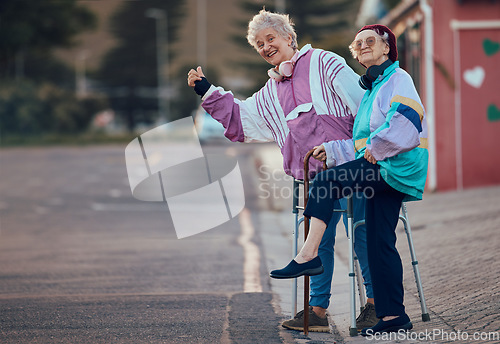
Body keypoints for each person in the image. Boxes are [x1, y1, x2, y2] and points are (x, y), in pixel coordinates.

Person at [187, 9, 377, 332]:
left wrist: (369, 148)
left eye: (270, 38)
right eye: (259, 44)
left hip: (355, 166)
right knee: (321, 241)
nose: (265, 47)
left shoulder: (324, 62)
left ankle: (375, 304)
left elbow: (364, 104)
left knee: (362, 233)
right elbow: (241, 119)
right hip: (315, 179)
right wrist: (207, 91)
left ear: (290, 38)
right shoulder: (270, 93)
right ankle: (316, 312)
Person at [270, 24, 429, 335]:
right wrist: (330, 149)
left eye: (371, 41)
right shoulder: (373, 90)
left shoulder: (398, 79)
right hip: (385, 166)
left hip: (395, 166)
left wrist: (377, 147)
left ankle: (308, 254)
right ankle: (394, 316)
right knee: (380, 243)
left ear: (387, 49)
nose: (364, 46)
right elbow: (360, 143)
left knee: (327, 182)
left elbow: (408, 120)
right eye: (359, 44)